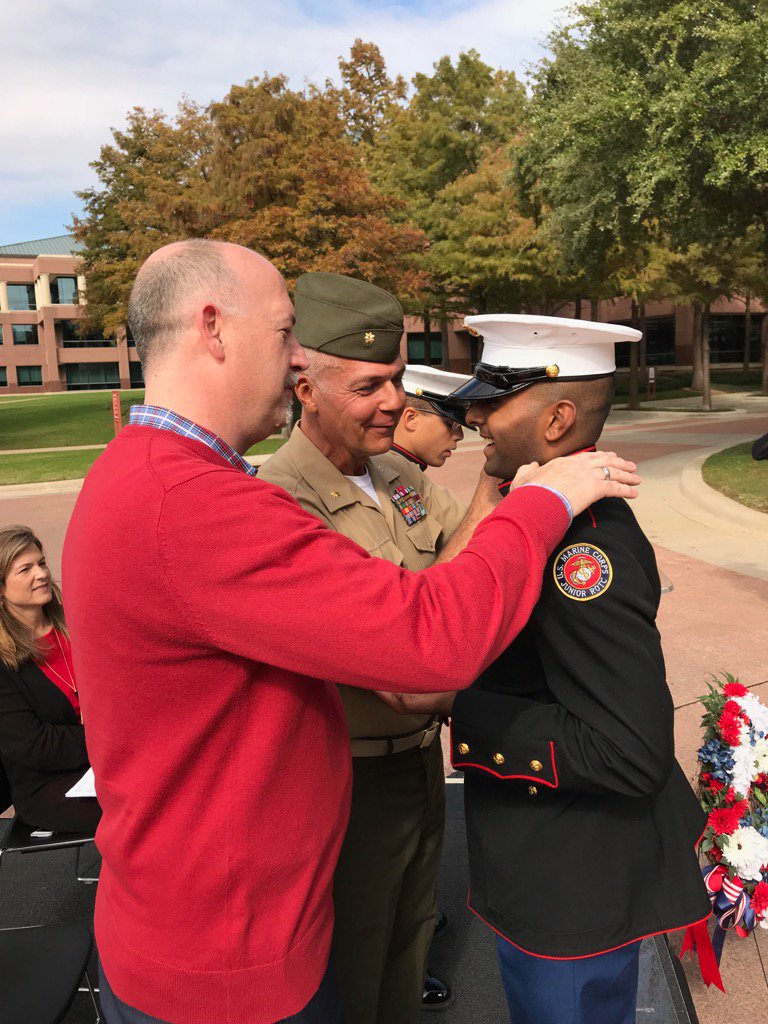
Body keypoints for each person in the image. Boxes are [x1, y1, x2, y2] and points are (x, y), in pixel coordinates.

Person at [62, 241, 640, 1024]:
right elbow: (430, 640)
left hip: (223, 925)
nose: (297, 355)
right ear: (214, 328)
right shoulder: (198, 506)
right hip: (229, 964)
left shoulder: (149, 474)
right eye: (285, 331)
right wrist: (545, 502)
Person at [382, 314, 712, 1024]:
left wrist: (460, 706)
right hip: (551, 862)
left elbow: (629, 749)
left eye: (493, 400)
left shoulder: (578, 551)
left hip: (570, 881)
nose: (473, 417)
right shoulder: (539, 517)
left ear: (559, 418)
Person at [261, 275, 492, 1022]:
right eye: (369, 385)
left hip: (423, 761)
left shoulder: (395, 472)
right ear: (307, 388)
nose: (396, 400)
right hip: (347, 784)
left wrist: (494, 478)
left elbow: (470, 562)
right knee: (352, 972)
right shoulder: (282, 502)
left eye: (396, 379)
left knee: (409, 945)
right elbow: (407, 663)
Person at [0, 525, 100, 832]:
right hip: (48, 785)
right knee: (149, 805)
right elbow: (33, 744)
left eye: (41, 563)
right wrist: (107, 739)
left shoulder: (77, 625)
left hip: (105, 762)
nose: (41, 574)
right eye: (25, 569)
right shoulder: (3, 660)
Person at [392, 365, 474, 470]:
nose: (460, 436)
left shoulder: (403, 471)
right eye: (450, 424)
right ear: (411, 418)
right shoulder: (377, 475)